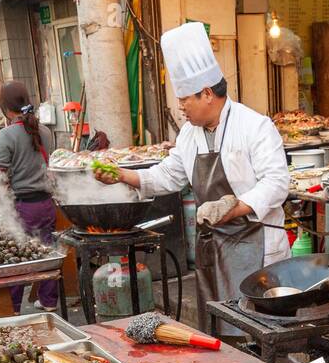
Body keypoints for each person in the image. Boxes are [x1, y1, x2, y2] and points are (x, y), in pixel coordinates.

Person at [93, 22, 289, 336]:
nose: (181, 106)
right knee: (220, 327)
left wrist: (234, 208)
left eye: (185, 98)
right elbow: (167, 176)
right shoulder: (188, 134)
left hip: (256, 241)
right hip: (213, 246)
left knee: (259, 329)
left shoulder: (255, 126)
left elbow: (277, 183)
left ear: (207, 94)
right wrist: (121, 176)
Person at [0, 81, 59, 313]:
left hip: (23, 207)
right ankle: (49, 301)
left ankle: (14, 307)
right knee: (46, 249)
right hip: (46, 203)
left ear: (5, 107)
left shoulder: (7, 134)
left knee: (17, 254)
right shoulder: (45, 131)